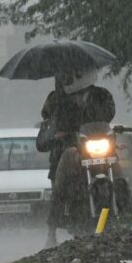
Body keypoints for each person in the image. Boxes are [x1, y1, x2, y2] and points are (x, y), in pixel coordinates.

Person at [41, 67, 115, 248]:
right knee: (60, 186)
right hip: (68, 148)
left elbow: (109, 115)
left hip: (95, 147)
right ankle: (51, 233)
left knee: (118, 167)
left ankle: (124, 216)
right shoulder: (56, 98)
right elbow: (48, 117)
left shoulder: (102, 95)